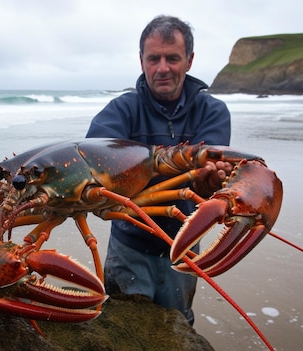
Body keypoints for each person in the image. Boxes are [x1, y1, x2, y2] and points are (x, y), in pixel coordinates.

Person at [85, 15, 232, 325]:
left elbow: (209, 183)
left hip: (183, 244)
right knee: (122, 326)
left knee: (178, 325)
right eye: (154, 58)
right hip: (129, 245)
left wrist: (210, 179)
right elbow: (93, 157)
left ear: (189, 61)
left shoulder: (212, 111)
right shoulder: (121, 110)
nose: (162, 67)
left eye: (172, 58)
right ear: (142, 61)